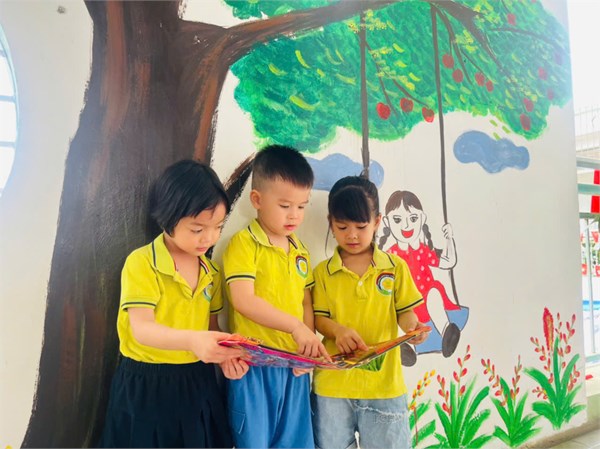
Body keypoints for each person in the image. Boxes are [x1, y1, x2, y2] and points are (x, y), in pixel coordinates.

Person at [99, 160, 247, 448]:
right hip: (147, 384)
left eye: (218, 227)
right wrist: (193, 340)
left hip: (198, 382)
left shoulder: (211, 272)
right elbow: (142, 329)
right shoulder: (142, 263)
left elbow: (211, 328)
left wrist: (225, 355)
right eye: (197, 229)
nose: (210, 238)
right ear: (168, 218)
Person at [222, 145, 329, 449]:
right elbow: (243, 300)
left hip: (294, 368)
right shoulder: (243, 244)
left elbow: (305, 302)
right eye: (285, 205)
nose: (295, 215)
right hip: (253, 367)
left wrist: (307, 347)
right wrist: (295, 328)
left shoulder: (300, 251)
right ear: (257, 200)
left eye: (302, 206)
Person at [311, 176, 428, 449]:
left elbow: (405, 312)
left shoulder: (395, 267)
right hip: (332, 387)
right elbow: (319, 319)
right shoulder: (322, 273)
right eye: (342, 227)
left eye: (361, 227)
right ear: (330, 223)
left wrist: (412, 328)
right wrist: (338, 331)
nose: (352, 235)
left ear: (377, 222)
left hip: (384, 386)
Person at [379, 190, 469, 363]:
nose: (406, 226)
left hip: (428, 299)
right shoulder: (390, 256)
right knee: (395, 308)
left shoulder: (422, 250)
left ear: (422, 218)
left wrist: (449, 239)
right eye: (397, 220)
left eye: (413, 218)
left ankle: (447, 331)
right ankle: (405, 349)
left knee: (433, 294)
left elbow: (448, 262)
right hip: (406, 305)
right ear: (387, 222)